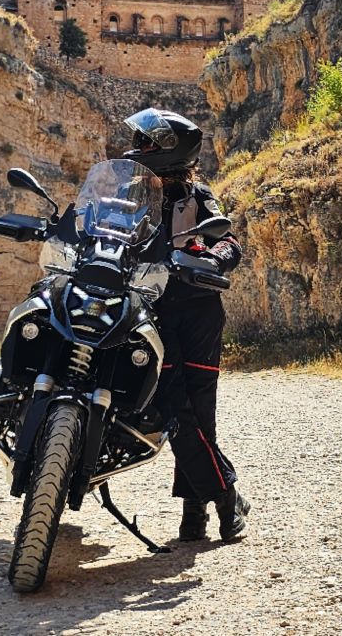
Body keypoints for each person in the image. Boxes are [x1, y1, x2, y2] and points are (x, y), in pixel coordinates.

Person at [120, 107, 251, 543]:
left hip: (197, 310)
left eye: (147, 144)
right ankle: (226, 495)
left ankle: (194, 511)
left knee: (196, 411)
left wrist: (212, 258)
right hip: (151, 310)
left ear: (170, 150)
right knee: (174, 410)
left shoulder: (198, 197)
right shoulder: (131, 193)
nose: (139, 150)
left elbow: (228, 241)